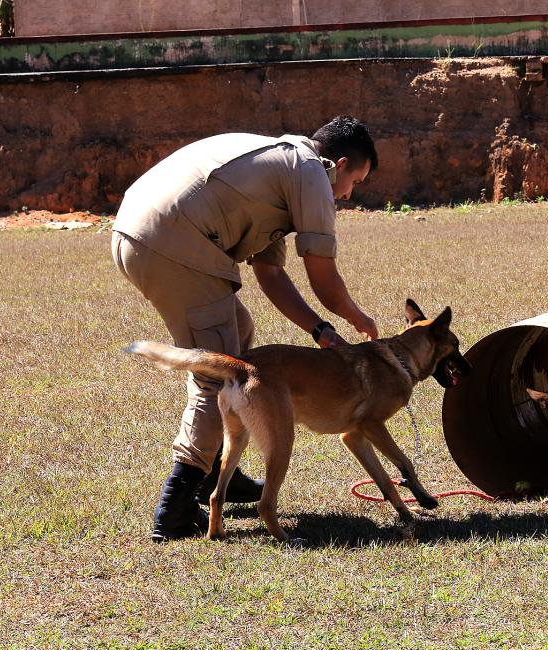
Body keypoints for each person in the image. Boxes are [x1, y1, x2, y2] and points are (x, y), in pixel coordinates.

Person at [111, 115, 380, 541]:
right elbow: (323, 279)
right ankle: (176, 508)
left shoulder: (281, 170)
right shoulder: (311, 172)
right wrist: (358, 318)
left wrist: (321, 331)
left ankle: (222, 473)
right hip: (172, 242)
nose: (347, 196)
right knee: (221, 375)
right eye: (355, 183)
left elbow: (271, 277)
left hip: (138, 233)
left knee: (239, 329)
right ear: (340, 163)